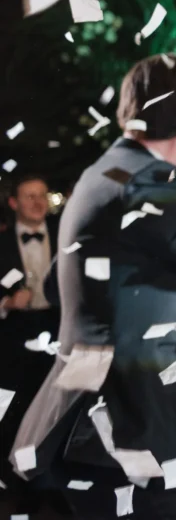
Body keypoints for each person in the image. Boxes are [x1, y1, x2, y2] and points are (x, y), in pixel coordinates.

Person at [11, 54, 176, 519]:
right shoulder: (151, 180)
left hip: (97, 430)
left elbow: (56, 285)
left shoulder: (102, 174)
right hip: (141, 432)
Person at [0, 174, 61, 513]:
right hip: (13, 341)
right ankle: (14, 485)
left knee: (56, 410)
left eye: (42, 195)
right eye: (29, 196)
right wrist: (7, 304)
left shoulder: (67, 240)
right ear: (14, 203)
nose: (38, 203)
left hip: (58, 333)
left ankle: (51, 485)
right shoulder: (2, 243)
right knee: (14, 411)